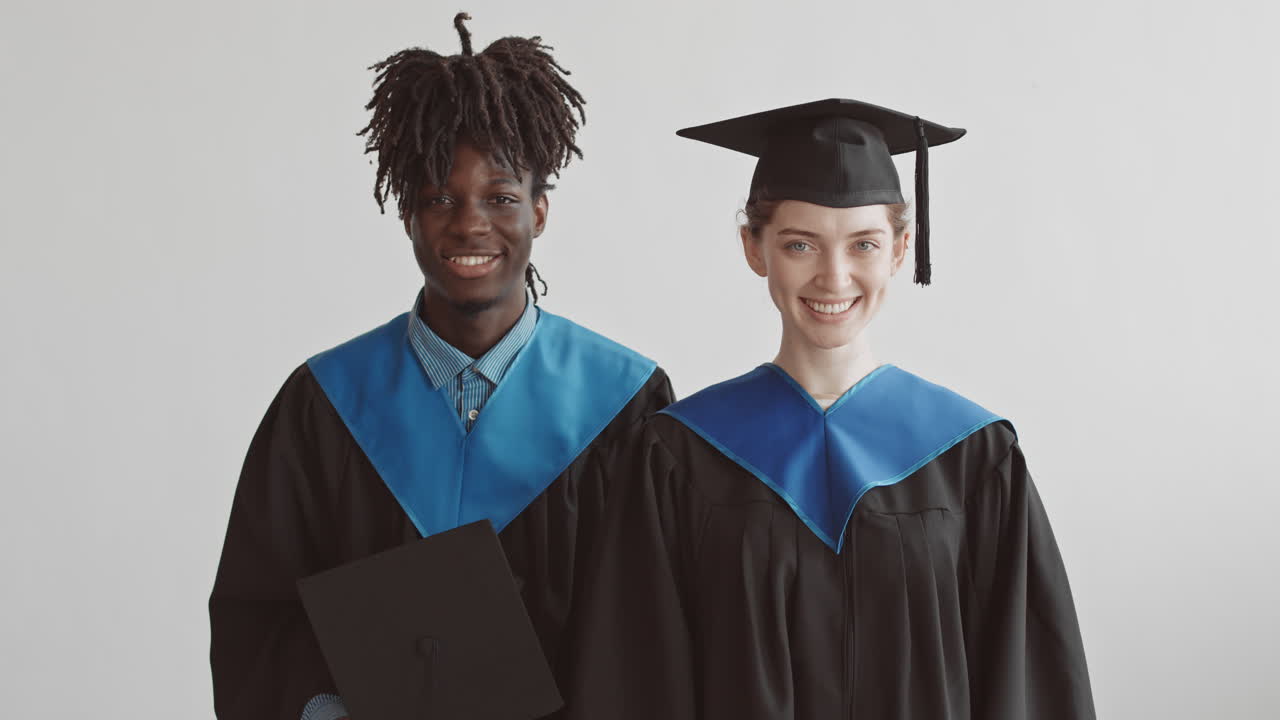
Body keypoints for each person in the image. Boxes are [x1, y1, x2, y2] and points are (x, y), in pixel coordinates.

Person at [565, 98, 1095, 719]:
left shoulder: (972, 455)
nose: (834, 277)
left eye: (863, 244)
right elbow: (636, 681)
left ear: (901, 249)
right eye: (800, 245)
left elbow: (1024, 683)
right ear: (754, 248)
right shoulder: (679, 454)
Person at [208, 14, 673, 720]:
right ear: (407, 215)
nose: (469, 223)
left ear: (540, 211)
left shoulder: (626, 406)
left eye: (501, 198)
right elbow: (259, 617)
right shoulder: (323, 404)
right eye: (438, 199)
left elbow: (653, 629)